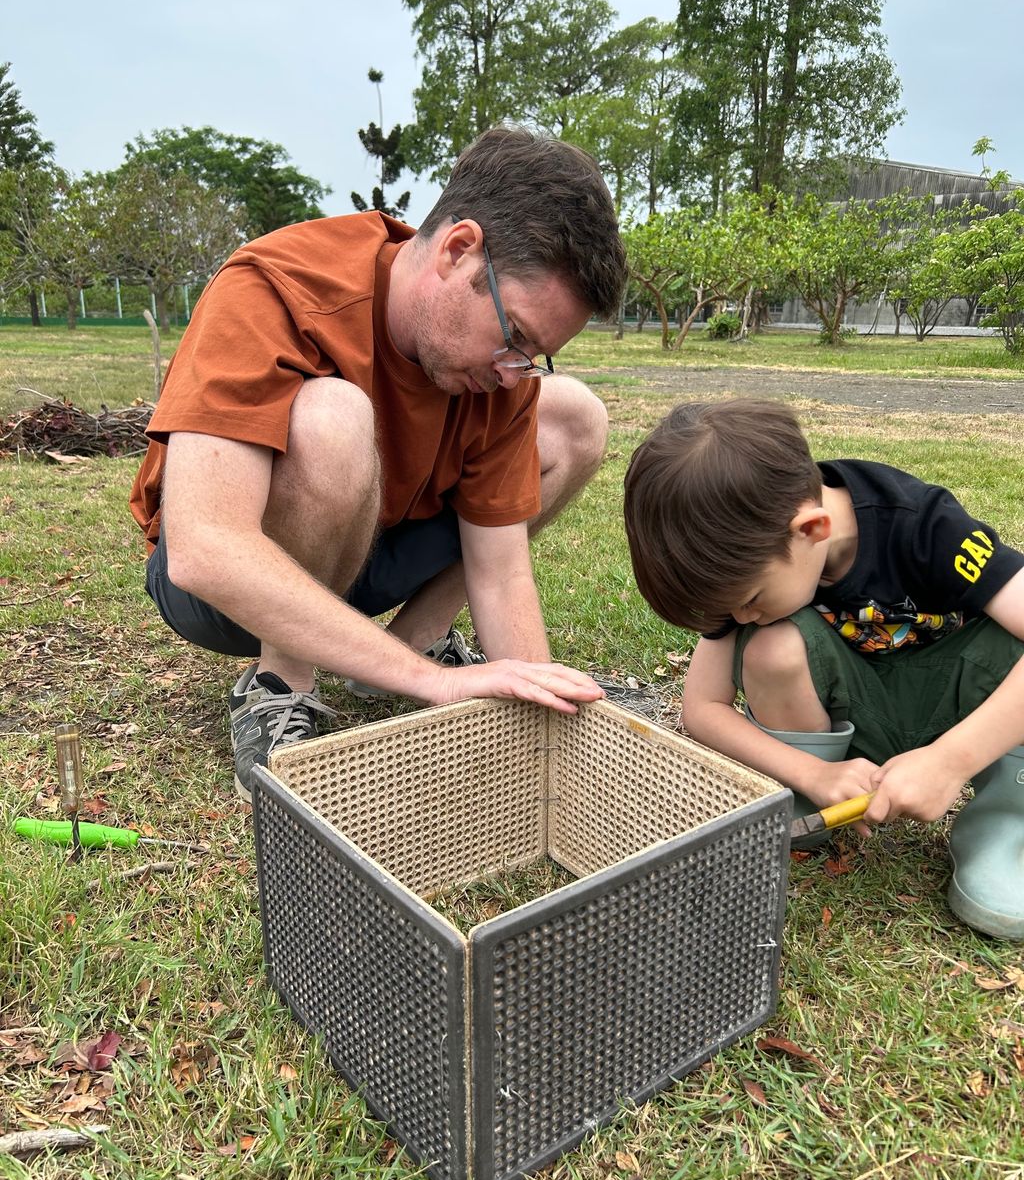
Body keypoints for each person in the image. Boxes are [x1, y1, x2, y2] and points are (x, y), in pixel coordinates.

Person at [130, 128, 628, 801]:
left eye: (534, 355)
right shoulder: (277, 287)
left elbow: (502, 570)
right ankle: (281, 687)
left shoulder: (502, 379)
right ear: (458, 251)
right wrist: (438, 685)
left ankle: (413, 642)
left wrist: (539, 715)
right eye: (516, 339)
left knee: (573, 416)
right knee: (332, 418)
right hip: (222, 585)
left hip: (371, 554)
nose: (514, 375)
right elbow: (204, 548)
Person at [622, 397, 1024, 939]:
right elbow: (703, 707)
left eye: (750, 598)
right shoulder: (746, 551)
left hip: (966, 709)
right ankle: (811, 807)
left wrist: (950, 760)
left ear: (811, 529)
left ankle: (1008, 822)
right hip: (855, 730)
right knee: (770, 646)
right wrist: (815, 774)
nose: (739, 618)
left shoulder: (924, 526)